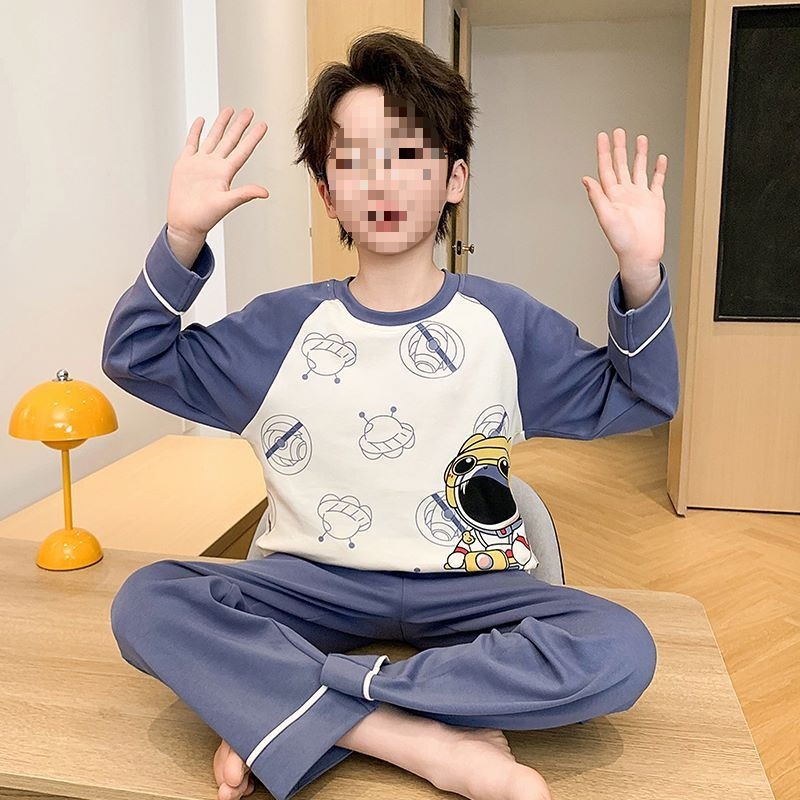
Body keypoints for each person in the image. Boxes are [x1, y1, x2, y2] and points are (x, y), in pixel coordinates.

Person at [102, 30, 677, 800]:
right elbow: (135, 356)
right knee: (149, 602)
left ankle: (296, 709)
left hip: (473, 591)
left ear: (455, 178)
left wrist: (641, 273)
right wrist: (182, 238)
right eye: (352, 159)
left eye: (407, 153)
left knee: (620, 647)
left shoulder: (506, 325)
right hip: (311, 587)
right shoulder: (278, 329)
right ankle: (424, 738)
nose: (381, 179)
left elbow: (639, 396)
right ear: (326, 192)